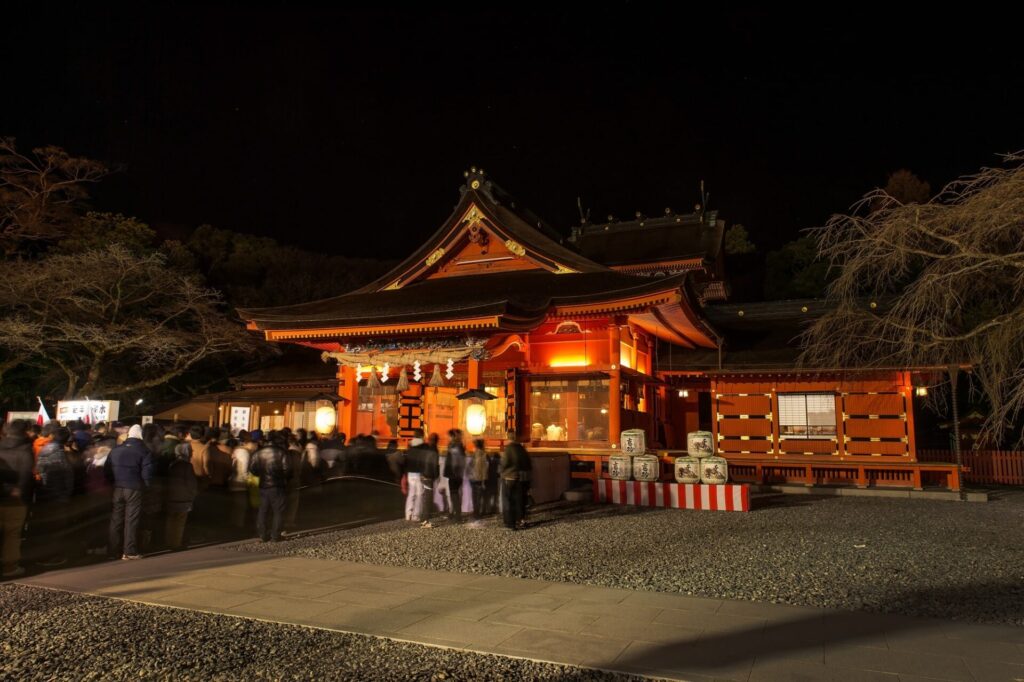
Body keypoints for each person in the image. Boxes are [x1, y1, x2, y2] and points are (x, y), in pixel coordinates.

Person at [106, 424, 154, 559]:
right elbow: (147, 473)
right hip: (134, 488)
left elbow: (107, 470)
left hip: (117, 487)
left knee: (116, 519)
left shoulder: (116, 450)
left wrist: (113, 483)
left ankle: (112, 550)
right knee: (131, 520)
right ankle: (129, 550)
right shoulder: (144, 451)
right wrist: (147, 486)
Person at [35, 426, 75, 564]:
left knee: (45, 527)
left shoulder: (43, 450)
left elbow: (39, 470)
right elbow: (68, 477)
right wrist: (67, 494)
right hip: (57, 495)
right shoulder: (60, 454)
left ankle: (41, 555)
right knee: (56, 527)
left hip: (43, 493)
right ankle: (51, 556)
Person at [0, 420, 35, 578]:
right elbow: (26, 474)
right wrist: (18, 490)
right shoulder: (26, 449)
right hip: (16, 498)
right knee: (12, 533)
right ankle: (9, 567)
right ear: (25, 432)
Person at [248, 432, 291, 542]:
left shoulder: (258, 453)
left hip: (263, 485)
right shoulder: (282, 452)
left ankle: (262, 534)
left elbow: (252, 469)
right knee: (278, 511)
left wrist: (261, 475)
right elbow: (287, 470)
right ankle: (275, 535)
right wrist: (281, 478)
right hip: (278, 485)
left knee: (263, 510)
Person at [164, 444, 197, 551]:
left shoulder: (172, 464)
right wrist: (192, 494)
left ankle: (168, 541)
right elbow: (191, 483)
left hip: (171, 496)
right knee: (180, 522)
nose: (192, 453)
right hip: (184, 498)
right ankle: (176, 543)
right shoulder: (187, 466)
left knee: (170, 521)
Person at [500, 430, 529, 530]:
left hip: (508, 476)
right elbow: (527, 462)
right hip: (519, 477)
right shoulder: (520, 448)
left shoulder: (508, 448)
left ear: (507, 437)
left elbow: (505, 462)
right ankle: (519, 520)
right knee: (518, 500)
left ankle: (510, 523)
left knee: (508, 500)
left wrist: (500, 470)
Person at [444, 429, 466, 523]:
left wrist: (454, 473)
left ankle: (457, 516)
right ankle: (454, 513)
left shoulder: (455, 447)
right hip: (457, 474)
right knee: (455, 495)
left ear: (453, 436)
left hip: (454, 474)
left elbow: (455, 461)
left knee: (454, 495)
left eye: (450, 436)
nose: (448, 438)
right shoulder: (459, 446)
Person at [467, 438, 488, 522]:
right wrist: (484, 481)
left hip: (474, 478)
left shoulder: (476, 454)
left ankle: (476, 513)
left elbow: (471, 466)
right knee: (478, 497)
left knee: (475, 497)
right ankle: (477, 513)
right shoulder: (483, 454)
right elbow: (485, 469)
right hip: (479, 478)